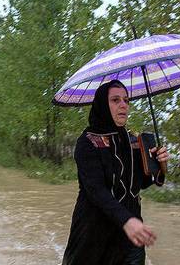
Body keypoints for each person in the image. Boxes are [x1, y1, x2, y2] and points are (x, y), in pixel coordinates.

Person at [62, 80, 169, 265]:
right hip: (94, 233)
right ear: (103, 104)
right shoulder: (88, 142)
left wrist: (160, 164)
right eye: (115, 100)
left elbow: (140, 183)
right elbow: (96, 191)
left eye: (126, 100)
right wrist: (127, 220)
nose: (123, 105)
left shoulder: (134, 140)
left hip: (131, 235)